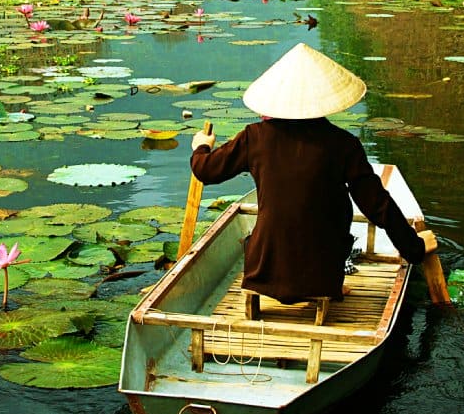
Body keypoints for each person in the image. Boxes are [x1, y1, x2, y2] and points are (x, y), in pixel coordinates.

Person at [190, 43, 446, 305]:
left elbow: (205, 170)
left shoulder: (254, 138)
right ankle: (330, 284)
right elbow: (377, 205)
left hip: (264, 269)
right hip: (322, 272)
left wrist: (202, 146)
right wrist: (412, 249)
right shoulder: (344, 144)